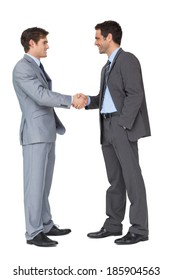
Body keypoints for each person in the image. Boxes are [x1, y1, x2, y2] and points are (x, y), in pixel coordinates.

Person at [78, 20, 151, 245]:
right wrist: (88, 100)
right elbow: (105, 99)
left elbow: (135, 94)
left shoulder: (127, 60)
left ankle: (139, 229)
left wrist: (123, 124)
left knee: (132, 178)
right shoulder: (106, 68)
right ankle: (113, 225)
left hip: (121, 126)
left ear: (109, 38)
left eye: (98, 37)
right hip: (106, 126)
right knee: (115, 179)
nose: (95, 42)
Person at [12, 27, 87, 247]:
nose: (47, 45)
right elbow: (41, 95)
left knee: (44, 184)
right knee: (34, 185)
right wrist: (71, 99)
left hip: (46, 133)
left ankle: (45, 224)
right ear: (32, 44)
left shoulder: (36, 66)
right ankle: (34, 233)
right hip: (35, 134)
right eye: (44, 42)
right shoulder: (21, 68)